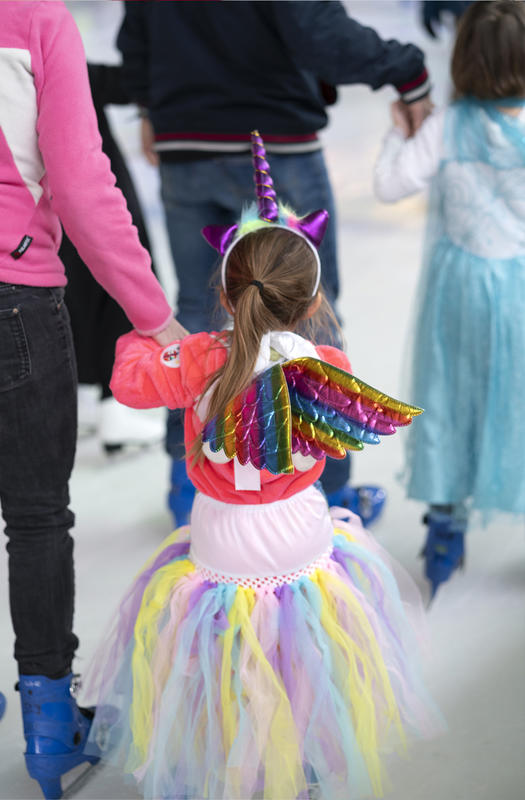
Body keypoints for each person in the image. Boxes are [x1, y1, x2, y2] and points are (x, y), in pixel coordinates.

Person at [81, 132, 441, 800]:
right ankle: (296, 768)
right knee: (301, 652)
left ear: (223, 295)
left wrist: (149, 330)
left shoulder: (196, 360)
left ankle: (233, 758)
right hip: (298, 531)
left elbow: (130, 382)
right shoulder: (325, 367)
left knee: (223, 657)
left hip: (223, 541)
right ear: (310, 304)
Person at [116, 0, 433, 527]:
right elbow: (319, 32)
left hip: (183, 139)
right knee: (300, 311)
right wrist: (409, 71)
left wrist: (152, 107)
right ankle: (324, 495)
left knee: (196, 308)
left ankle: (189, 481)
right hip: (276, 135)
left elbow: (137, 39)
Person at [0, 3, 185, 798]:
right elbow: (78, 179)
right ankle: (48, 731)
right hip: (14, 295)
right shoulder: (34, 21)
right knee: (36, 515)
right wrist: (154, 314)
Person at [374, 0, 525, 598]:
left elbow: (389, 184)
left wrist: (397, 129)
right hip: (519, 291)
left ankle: (443, 529)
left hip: (458, 291)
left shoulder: (446, 126)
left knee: (449, 398)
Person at [59, 63, 164, 453]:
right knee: (119, 274)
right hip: (85, 180)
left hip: (30, 192)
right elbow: (121, 79)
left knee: (66, 281)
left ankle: (89, 396)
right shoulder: (36, 27)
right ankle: (114, 401)